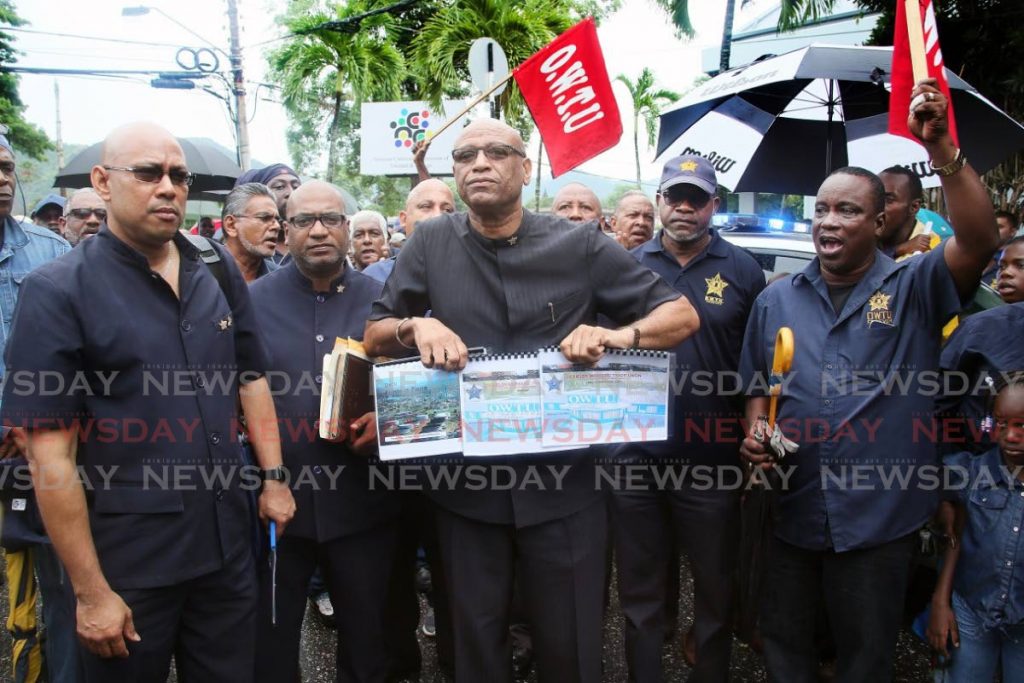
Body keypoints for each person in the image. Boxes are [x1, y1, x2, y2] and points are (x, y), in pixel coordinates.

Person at [363, 118, 700, 683]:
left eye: (497, 152)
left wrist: (618, 337)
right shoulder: (431, 242)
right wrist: (414, 330)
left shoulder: (581, 243)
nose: (479, 164)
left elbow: (681, 315)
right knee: (474, 645)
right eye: (465, 155)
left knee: (569, 645)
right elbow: (374, 334)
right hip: (464, 491)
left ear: (526, 168)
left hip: (566, 490)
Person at [0, 122, 296, 682]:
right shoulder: (58, 291)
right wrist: (90, 594)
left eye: (178, 176)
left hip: (227, 547)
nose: (168, 187)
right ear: (102, 182)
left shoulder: (214, 267)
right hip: (129, 563)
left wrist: (274, 479)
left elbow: (251, 377)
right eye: (148, 173)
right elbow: (50, 460)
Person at [738, 80, 1000, 681]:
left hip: (878, 516)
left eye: (848, 210)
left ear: (881, 219)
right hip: (793, 507)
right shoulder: (777, 300)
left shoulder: (915, 286)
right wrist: (755, 435)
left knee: (864, 656)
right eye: (822, 210)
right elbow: (759, 385)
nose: (829, 221)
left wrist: (943, 152)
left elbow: (981, 240)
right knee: (785, 646)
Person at [612, 154, 765, 683]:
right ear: (658, 203)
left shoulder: (744, 269)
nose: (683, 206)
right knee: (640, 593)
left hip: (712, 460)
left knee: (716, 590)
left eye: (695, 198)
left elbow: (758, 369)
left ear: (713, 207)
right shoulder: (626, 264)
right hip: (635, 459)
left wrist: (753, 439)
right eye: (674, 196)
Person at [249, 180, 400, 682]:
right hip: (275, 507)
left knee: (367, 643)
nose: (318, 231)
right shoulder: (249, 304)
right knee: (270, 644)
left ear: (348, 229)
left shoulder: (385, 304)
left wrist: (388, 423)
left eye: (331, 220)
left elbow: (417, 389)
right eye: (303, 221)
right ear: (284, 230)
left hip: (365, 504)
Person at [0, 134, 72, 683]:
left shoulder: (48, 250)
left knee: (43, 584)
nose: (3, 178)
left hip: (33, 447)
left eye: (6, 168)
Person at [927, 372, 1024, 682]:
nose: (1009, 435)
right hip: (972, 612)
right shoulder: (972, 472)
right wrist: (940, 601)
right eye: (1001, 423)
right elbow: (956, 537)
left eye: (1022, 425)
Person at [362, 178, 455, 284]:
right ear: (404, 219)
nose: (438, 216)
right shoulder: (373, 278)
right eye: (426, 206)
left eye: (447, 210)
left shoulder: (471, 275)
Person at [235, 163, 302, 266]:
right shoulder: (238, 250)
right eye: (279, 187)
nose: (291, 193)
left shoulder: (309, 242)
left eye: (296, 187)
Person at [221, 182, 280, 283]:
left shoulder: (280, 280)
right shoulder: (200, 272)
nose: (277, 226)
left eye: (277, 219)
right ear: (231, 225)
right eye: (264, 218)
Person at [877, 165, 939, 260]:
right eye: (874, 197)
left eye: (888, 200)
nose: (875, 205)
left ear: (914, 207)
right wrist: (897, 250)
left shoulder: (930, 256)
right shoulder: (860, 234)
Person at [980, 210, 1020, 288]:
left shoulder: (1014, 261)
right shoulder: (977, 252)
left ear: (1012, 232)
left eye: (999, 227)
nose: (993, 230)